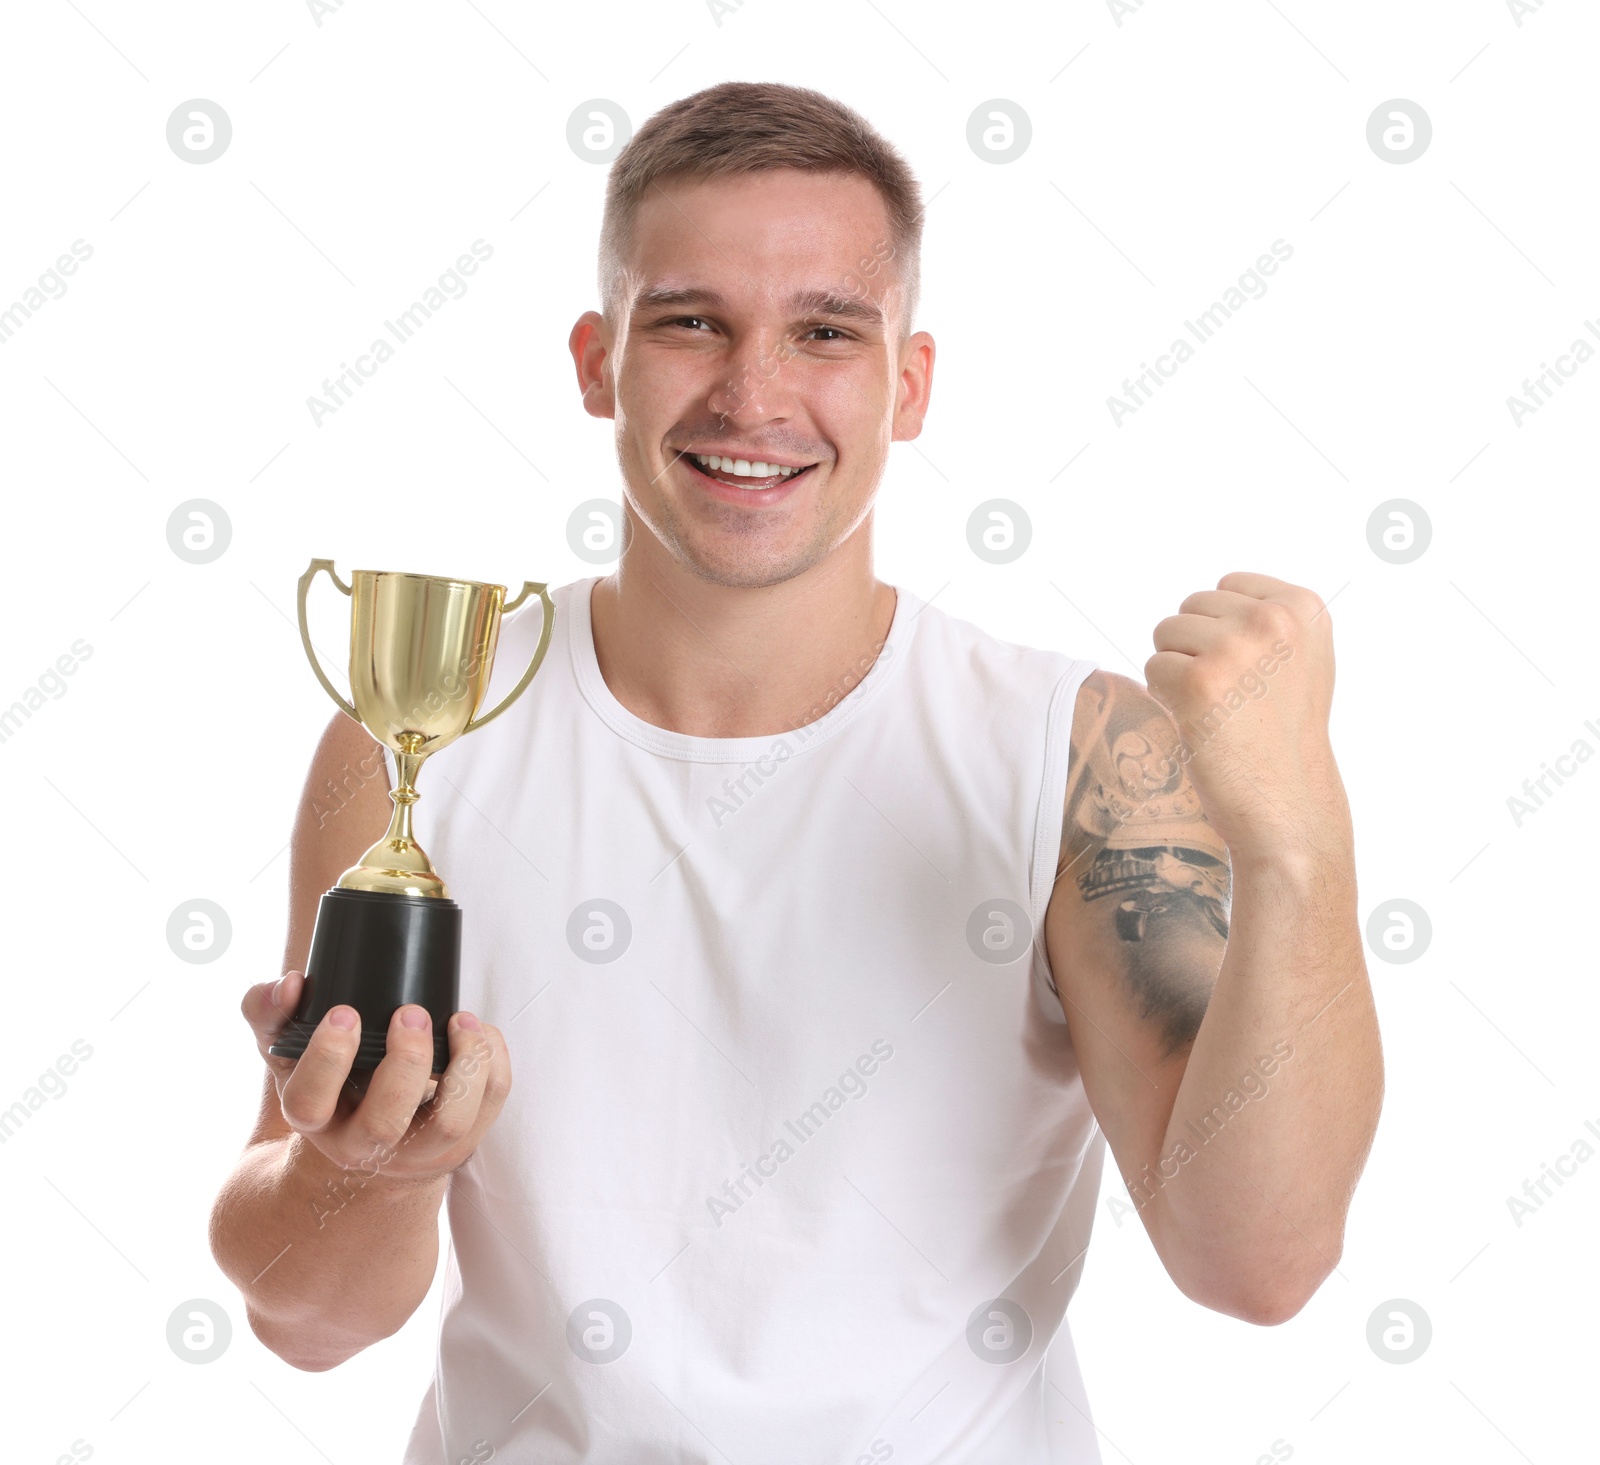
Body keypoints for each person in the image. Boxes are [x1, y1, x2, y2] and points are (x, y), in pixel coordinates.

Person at [209, 81, 1382, 1465]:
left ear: (910, 383)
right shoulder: (420, 739)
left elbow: (1258, 1262)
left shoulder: (1078, 755)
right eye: (690, 319)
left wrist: (1299, 844)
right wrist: (359, 1171)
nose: (754, 394)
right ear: (597, 361)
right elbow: (309, 1323)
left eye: (826, 330)